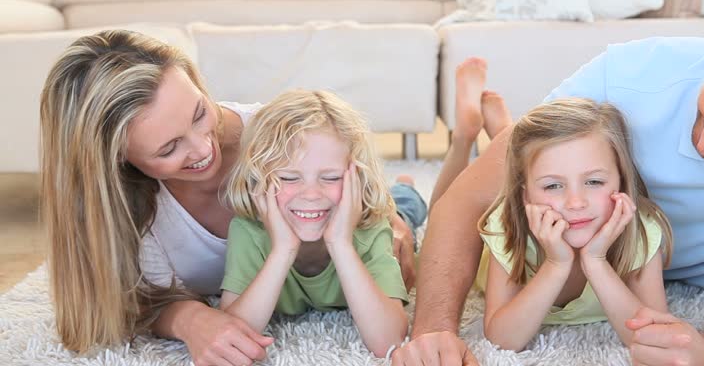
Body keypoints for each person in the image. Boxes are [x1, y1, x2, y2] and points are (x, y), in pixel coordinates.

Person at [393, 4, 704, 366]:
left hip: (680, 270)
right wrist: (433, 329)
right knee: (519, 162)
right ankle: (493, 131)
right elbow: (466, 201)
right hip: (584, 251)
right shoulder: (629, 75)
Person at [39, 30, 419, 366]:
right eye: (169, 147)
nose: (204, 147)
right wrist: (188, 318)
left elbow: (361, 197)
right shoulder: (126, 214)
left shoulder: (276, 140)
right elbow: (117, 302)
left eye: (200, 112)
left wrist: (391, 224)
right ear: (119, 160)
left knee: (405, 204)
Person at [219, 90, 421, 357]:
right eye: (290, 178)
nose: (311, 194)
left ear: (356, 180)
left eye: (331, 177)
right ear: (258, 180)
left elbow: (388, 341)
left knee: (406, 207)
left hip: (375, 213)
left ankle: (405, 187)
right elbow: (235, 332)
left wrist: (341, 244)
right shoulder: (248, 231)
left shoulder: (371, 229)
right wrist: (282, 250)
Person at [476, 98, 672, 351]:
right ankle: (494, 133)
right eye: (553, 186)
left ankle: (503, 133)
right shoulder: (506, 226)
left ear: (621, 182)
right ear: (526, 195)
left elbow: (655, 338)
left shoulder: (641, 231)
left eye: (594, 182)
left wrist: (596, 262)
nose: (576, 203)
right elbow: (502, 341)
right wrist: (556, 264)